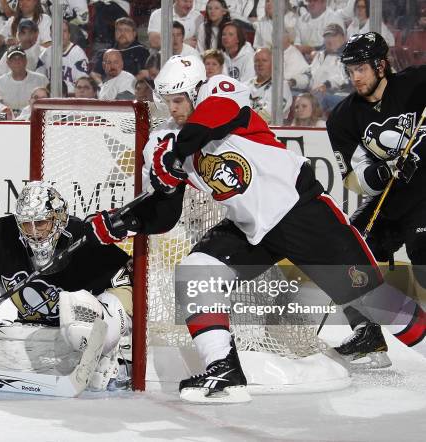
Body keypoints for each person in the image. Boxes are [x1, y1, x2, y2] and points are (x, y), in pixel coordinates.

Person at [85, 54, 426, 403]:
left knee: (374, 301)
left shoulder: (219, 92)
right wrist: (126, 221)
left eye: (178, 100)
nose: (172, 109)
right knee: (195, 271)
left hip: (300, 212)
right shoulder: (167, 141)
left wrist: (174, 155)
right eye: (167, 102)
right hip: (251, 229)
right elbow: (165, 215)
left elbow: (208, 123)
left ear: (195, 91)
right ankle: (224, 372)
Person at [0, 181, 133, 390]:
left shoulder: (83, 237)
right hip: (34, 325)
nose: (34, 232)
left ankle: (107, 357)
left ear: (59, 219)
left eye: (41, 222)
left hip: (78, 327)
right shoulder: (3, 235)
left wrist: (112, 329)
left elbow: (123, 280)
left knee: (82, 322)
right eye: (27, 224)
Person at [327, 32, 426, 365]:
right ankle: (368, 334)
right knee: (342, 253)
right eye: (350, 69)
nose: (355, 76)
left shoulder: (416, 84)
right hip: (392, 199)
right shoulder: (342, 117)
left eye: (361, 69)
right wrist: (380, 174)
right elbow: (354, 180)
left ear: (381, 65)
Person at [36, 21, 89, 95]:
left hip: (71, 98)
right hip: (50, 98)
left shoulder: (78, 54)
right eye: (57, 31)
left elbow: (83, 85)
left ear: (69, 34)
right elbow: (38, 81)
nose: (61, 35)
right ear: (51, 35)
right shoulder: (46, 54)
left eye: (64, 31)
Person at [309, 23, 351, 114]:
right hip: (318, 92)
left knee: (318, 99)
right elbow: (311, 73)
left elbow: (344, 79)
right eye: (328, 36)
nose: (330, 39)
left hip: (341, 95)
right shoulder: (320, 55)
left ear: (343, 38)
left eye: (334, 36)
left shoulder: (349, 55)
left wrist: (326, 85)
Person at [91, 18, 149, 83]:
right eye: (119, 30)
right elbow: (95, 74)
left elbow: (145, 73)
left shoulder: (142, 51)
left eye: (126, 30)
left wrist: (127, 85)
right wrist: (102, 86)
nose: (122, 33)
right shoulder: (106, 51)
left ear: (134, 33)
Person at [246, 48, 293, 123]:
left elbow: (267, 116)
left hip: (272, 131)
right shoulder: (245, 85)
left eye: (264, 60)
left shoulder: (281, 86)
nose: (260, 64)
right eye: (256, 61)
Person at [0, 47, 48, 113]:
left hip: (33, 117)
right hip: (8, 120)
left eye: (20, 58)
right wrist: (4, 122)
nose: (17, 62)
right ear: (8, 63)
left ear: (25, 61)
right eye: (13, 59)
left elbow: (48, 103)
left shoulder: (41, 79)